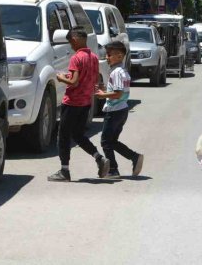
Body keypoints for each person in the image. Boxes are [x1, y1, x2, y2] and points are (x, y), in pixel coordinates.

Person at [48, 27, 110, 182]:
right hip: (86, 102)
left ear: (75, 39)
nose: (71, 46)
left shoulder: (76, 58)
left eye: (70, 42)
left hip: (72, 102)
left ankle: (64, 171)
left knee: (63, 136)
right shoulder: (93, 57)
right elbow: (94, 79)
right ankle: (99, 158)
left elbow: (74, 82)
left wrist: (62, 78)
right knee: (78, 135)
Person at [95, 41, 144, 179]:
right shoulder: (122, 71)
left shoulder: (116, 72)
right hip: (122, 110)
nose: (106, 58)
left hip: (114, 111)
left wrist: (102, 95)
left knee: (105, 141)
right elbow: (117, 91)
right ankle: (134, 157)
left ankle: (113, 169)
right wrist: (105, 90)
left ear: (119, 56)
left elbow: (118, 93)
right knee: (112, 141)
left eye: (109, 55)